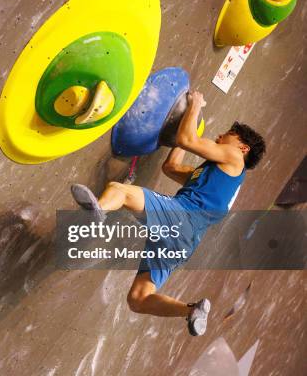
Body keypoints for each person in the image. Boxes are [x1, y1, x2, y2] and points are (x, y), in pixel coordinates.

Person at [70, 91, 266, 336]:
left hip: (181, 217)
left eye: (227, 135)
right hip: (184, 241)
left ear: (242, 146)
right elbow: (171, 167)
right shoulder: (217, 178)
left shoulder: (235, 157)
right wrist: (179, 131)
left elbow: (188, 140)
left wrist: (195, 105)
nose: (218, 136)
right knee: (138, 299)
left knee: (119, 191)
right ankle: (191, 310)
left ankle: (98, 213)